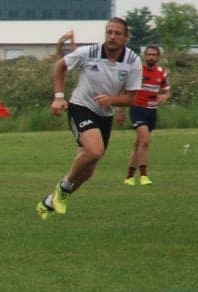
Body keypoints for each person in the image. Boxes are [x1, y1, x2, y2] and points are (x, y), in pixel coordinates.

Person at [38, 16, 140, 219]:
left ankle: (49, 202)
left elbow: (131, 98)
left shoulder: (132, 61)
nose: (112, 36)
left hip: (105, 115)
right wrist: (59, 97)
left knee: (87, 172)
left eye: (117, 33)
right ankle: (62, 189)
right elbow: (60, 66)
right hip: (81, 107)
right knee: (95, 151)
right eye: (109, 32)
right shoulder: (89, 52)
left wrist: (112, 100)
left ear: (125, 38)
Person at [125, 43, 171, 186]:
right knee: (145, 141)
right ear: (145, 56)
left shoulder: (161, 73)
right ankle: (144, 176)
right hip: (137, 109)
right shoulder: (138, 71)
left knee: (139, 144)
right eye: (149, 54)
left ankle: (129, 177)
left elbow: (167, 91)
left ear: (158, 57)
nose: (151, 57)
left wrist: (165, 97)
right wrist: (120, 111)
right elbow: (126, 90)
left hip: (152, 111)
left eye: (154, 55)